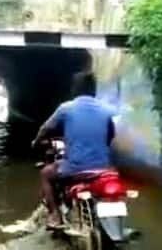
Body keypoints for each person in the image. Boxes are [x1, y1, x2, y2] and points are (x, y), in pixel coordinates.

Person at [31, 71, 119, 228]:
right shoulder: (106, 109)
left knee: (45, 174)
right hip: (103, 168)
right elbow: (111, 134)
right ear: (94, 90)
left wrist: (36, 142)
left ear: (75, 89)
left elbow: (45, 129)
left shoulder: (66, 108)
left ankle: (55, 215)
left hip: (75, 167)